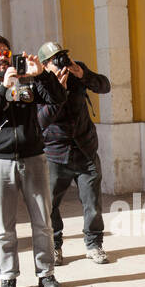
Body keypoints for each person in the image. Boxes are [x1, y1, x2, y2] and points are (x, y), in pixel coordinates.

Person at [0, 34, 64, 287]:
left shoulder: (28, 84)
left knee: (43, 221)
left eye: (6, 53)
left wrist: (42, 75)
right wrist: (2, 90)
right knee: (4, 225)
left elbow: (57, 99)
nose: (3, 59)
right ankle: (8, 277)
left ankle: (46, 273)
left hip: (33, 158)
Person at [35, 41, 110, 265]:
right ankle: (55, 245)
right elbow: (40, 120)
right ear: (44, 64)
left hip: (85, 149)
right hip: (55, 153)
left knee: (93, 203)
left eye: (63, 57)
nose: (61, 63)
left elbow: (105, 86)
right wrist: (57, 91)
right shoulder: (39, 84)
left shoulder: (78, 72)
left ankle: (94, 244)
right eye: (55, 60)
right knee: (50, 204)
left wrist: (83, 74)